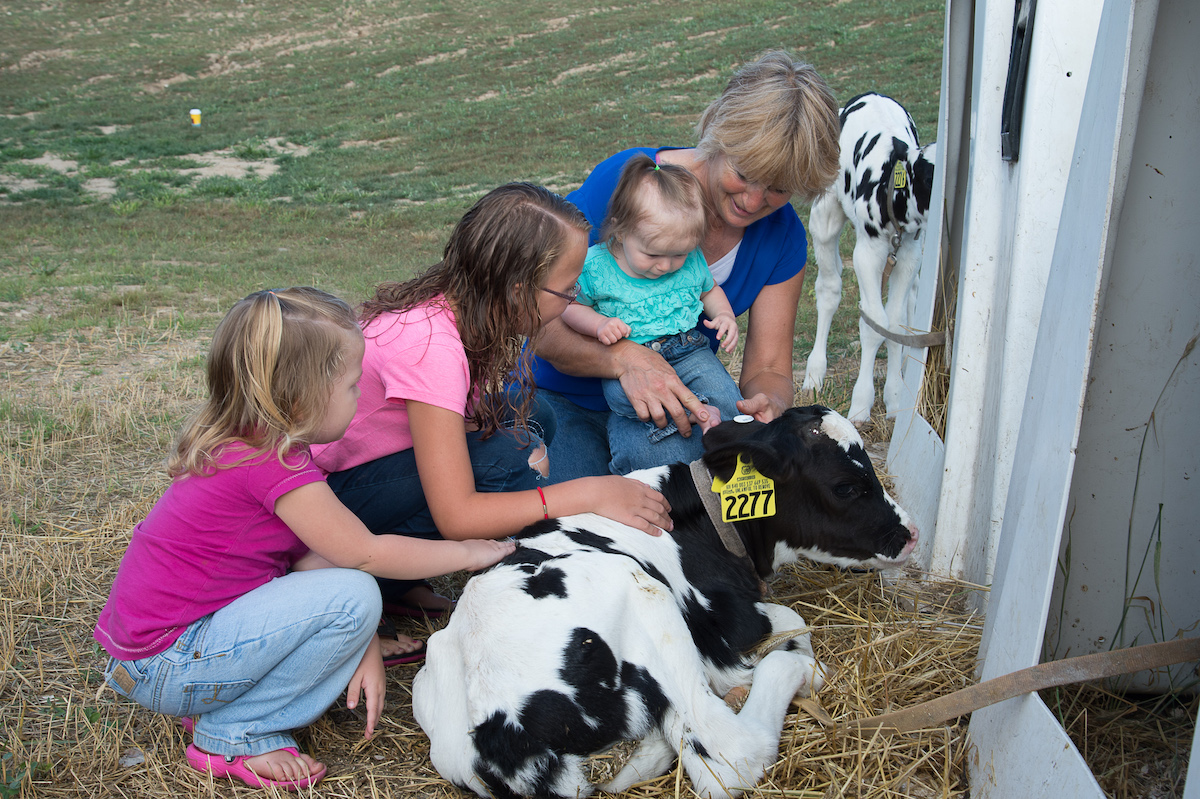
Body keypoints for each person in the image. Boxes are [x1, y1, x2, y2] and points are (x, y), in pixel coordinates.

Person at [94, 287, 514, 790]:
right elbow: (364, 554)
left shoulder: (249, 444)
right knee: (355, 594)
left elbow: (314, 563)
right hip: (168, 663)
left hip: (153, 656)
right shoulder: (271, 465)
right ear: (304, 394)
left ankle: (221, 699)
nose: (361, 397)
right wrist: (466, 551)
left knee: (349, 592)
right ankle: (235, 731)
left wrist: (364, 647)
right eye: (354, 386)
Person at [311, 183, 674, 656]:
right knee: (501, 457)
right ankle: (375, 581)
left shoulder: (462, 308)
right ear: (518, 289)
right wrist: (589, 491)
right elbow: (457, 514)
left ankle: (397, 585)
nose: (574, 299)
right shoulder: (431, 347)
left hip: (373, 474)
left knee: (531, 414)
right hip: (324, 506)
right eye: (566, 290)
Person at [531, 50, 841, 477]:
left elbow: (769, 368)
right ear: (719, 134)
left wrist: (770, 403)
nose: (753, 201)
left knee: (715, 501)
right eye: (745, 172)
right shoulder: (630, 184)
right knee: (577, 518)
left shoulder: (783, 237)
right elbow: (537, 322)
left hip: (675, 414)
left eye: (779, 188)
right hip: (565, 401)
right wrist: (626, 361)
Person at [560, 153, 743, 473]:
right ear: (620, 229)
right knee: (622, 398)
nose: (666, 265)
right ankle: (693, 412)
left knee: (726, 393)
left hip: (689, 349)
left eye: (679, 255)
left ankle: (710, 417)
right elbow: (570, 306)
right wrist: (599, 324)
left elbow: (709, 289)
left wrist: (725, 316)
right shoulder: (597, 265)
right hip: (629, 356)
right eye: (653, 254)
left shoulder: (689, 260)